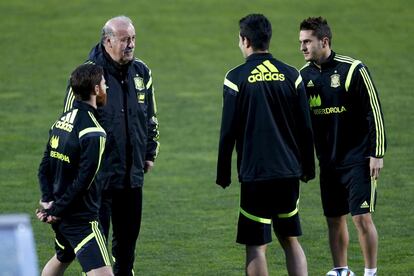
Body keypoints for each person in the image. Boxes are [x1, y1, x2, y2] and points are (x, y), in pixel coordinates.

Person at [216, 14, 315, 276]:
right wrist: (308, 167)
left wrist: (223, 172)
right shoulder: (291, 75)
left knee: (256, 245)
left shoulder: (235, 78)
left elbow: (228, 132)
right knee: (290, 239)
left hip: (255, 174)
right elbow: (305, 127)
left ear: (245, 40)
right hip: (288, 172)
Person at [63, 16, 160, 275]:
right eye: (125, 39)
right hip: (98, 182)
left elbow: (150, 116)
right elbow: (69, 127)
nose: (131, 45)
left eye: (133, 39)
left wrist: (149, 153)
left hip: (131, 178)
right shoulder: (87, 75)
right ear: (107, 41)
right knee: (96, 253)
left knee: (127, 251)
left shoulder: (142, 72)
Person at [299, 17, 386, 276]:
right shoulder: (303, 77)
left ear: (324, 42)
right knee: (334, 219)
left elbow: (374, 113)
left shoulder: (353, 69)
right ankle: (341, 271)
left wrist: (377, 154)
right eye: (300, 42)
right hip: (328, 161)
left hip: (358, 159)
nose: (302, 47)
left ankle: (370, 273)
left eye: (307, 42)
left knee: (361, 218)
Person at [37, 63, 113, 275]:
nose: (106, 88)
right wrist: (56, 210)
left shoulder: (61, 122)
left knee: (63, 256)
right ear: (96, 90)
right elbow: (83, 182)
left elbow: (44, 166)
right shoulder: (94, 132)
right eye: (104, 84)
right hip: (81, 219)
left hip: (60, 215)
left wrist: (48, 201)